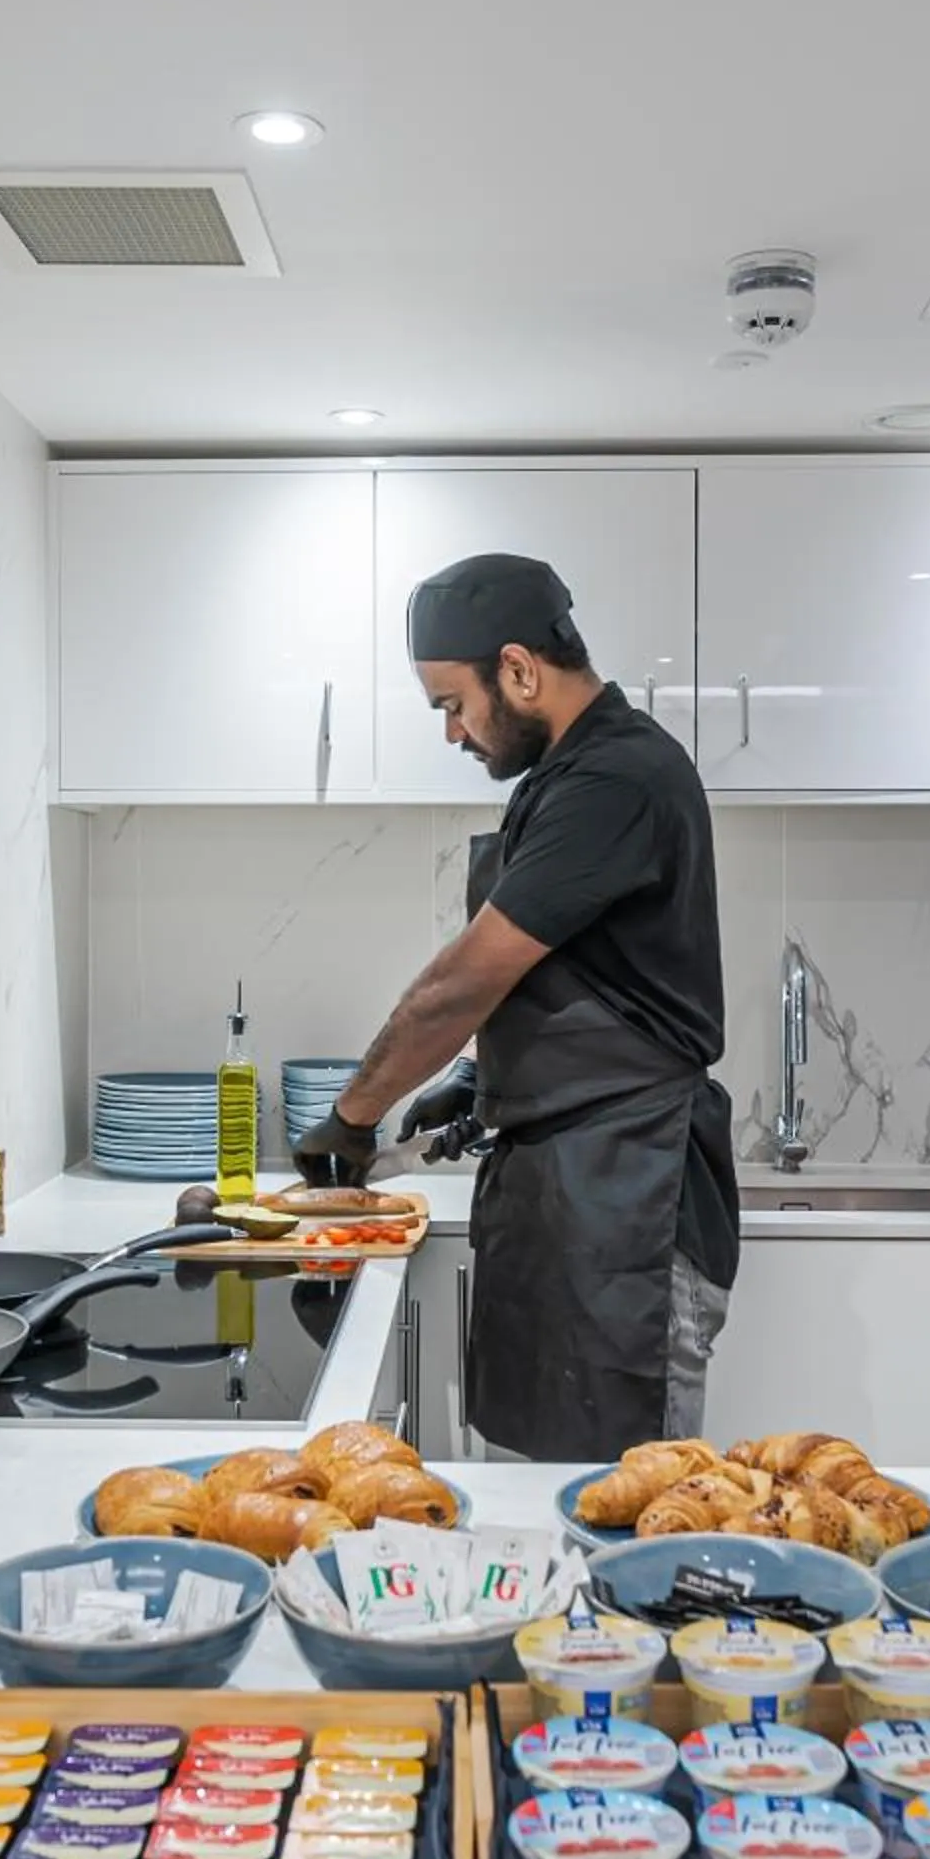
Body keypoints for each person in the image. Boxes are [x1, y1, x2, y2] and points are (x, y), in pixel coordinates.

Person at [294, 552, 738, 1459]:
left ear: (520, 670)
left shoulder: (616, 778)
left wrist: (353, 1116)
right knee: (532, 1494)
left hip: (628, 1194)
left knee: (624, 1501)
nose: (453, 732)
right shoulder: (566, 776)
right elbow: (585, 976)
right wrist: (485, 1078)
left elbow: (463, 982)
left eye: (454, 704)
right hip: (570, 1192)